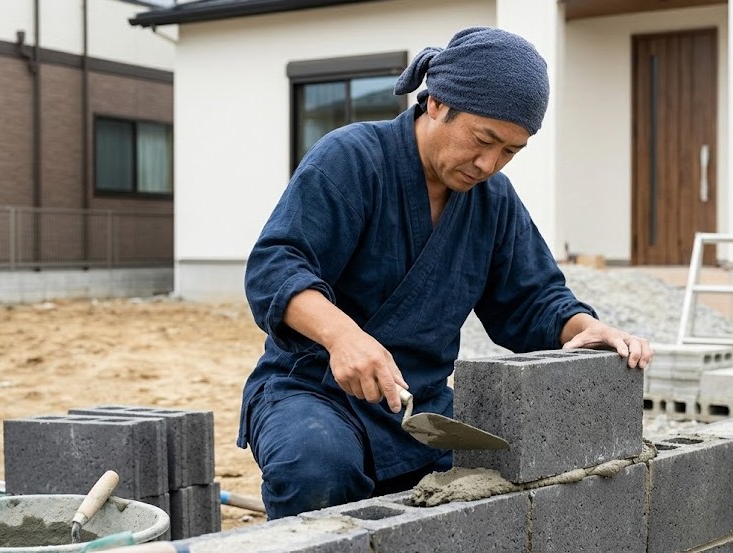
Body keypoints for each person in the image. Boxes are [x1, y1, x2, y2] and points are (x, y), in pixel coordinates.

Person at [238, 26, 653, 519]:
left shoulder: (493, 201)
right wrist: (342, 337)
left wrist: (586, 328)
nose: (488, 164)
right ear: (436, 103)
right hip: (312, 393)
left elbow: (533, 299)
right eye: (483, 139)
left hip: (421, 409)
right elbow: (276, 266)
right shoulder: (352, 158)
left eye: (510, 152)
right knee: (318, 470)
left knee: (508, 477)